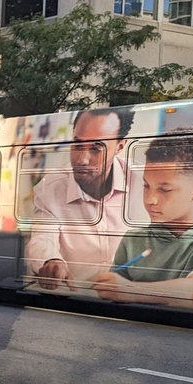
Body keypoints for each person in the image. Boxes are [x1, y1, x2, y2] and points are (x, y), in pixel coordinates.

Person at [91, 132, 193, 311]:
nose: (150, 199)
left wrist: (130, 291)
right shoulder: (133, 239)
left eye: (165, 189)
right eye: (146, 186)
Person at [24, 107, 133, 291]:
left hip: (132, 301)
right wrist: (51, 260)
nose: (82, 159)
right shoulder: (51, 188)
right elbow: (42, 237)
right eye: (77, 145)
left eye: (96, 149)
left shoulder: (144, 182)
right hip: (77, 301)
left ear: (120, 147)